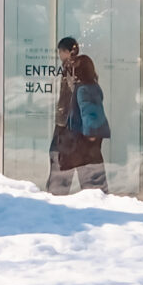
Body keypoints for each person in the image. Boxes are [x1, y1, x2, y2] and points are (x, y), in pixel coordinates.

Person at [46, 34, 110, 194]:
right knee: (82, 165)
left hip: (73, 128)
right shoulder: (88, 84)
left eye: (61, 51)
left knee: (69, 164)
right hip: (73, 127)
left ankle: (59, 196)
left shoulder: (82, 85)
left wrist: (91, 132)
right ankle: (91, 195)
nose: (60, 55)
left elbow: (88, 109)